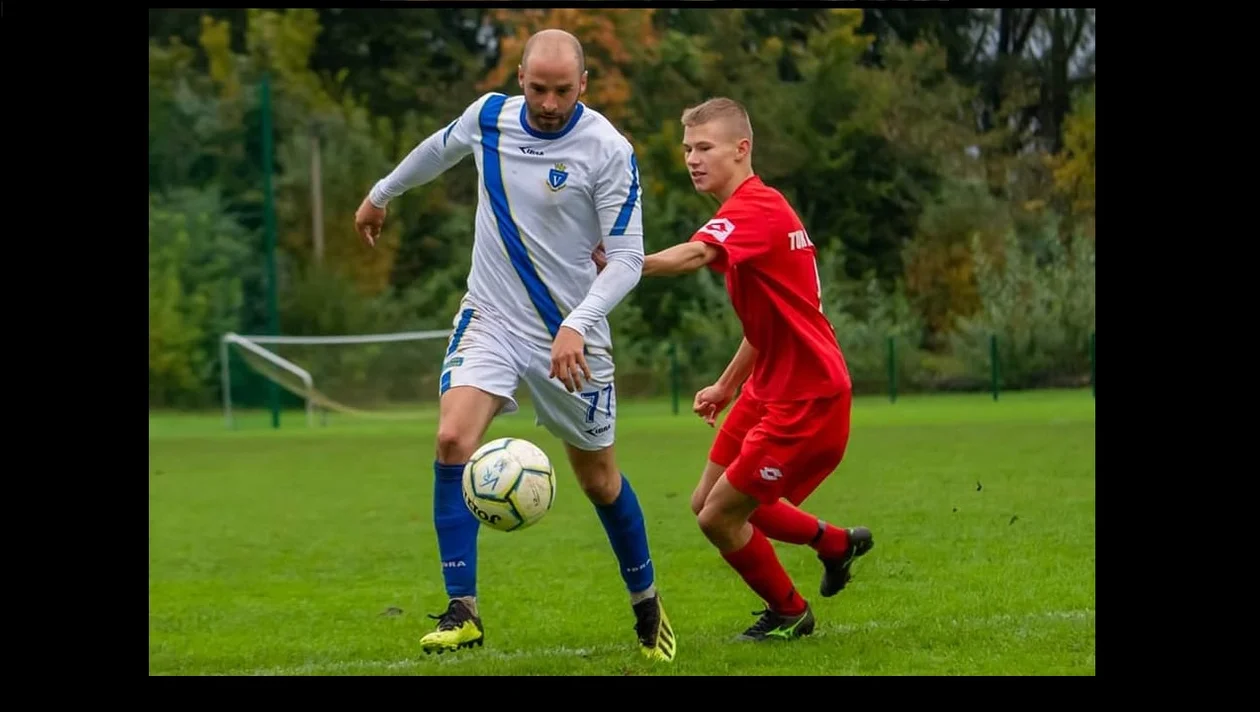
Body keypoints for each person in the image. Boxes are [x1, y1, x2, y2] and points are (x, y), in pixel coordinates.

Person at [353, 29, 675, 662]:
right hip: (492, 314)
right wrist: (381, 193)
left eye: (561, 90)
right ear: (519, 77)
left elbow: (630, 257)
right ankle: (462, 610)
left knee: (600, 480)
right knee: (451, 439)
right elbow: (435, 151)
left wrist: (577, 322)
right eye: (536, 87)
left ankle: (647, 605)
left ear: (582, 86)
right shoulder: (489, 118)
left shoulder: (608, 149)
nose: (548, 102)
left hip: (571, 332)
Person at [636, 97, 873, 642]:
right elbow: (767, 325)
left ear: (742, 149)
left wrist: (625, 264)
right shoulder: (753, 211)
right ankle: (836, 544)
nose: (693, 159)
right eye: (688, 149)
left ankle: (792, 613)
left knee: (719, 516)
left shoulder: (754, 210)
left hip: (807, 396)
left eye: (705, 148)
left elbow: (694, 256)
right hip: (772, 384)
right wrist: (726, 383)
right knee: (708, 502)